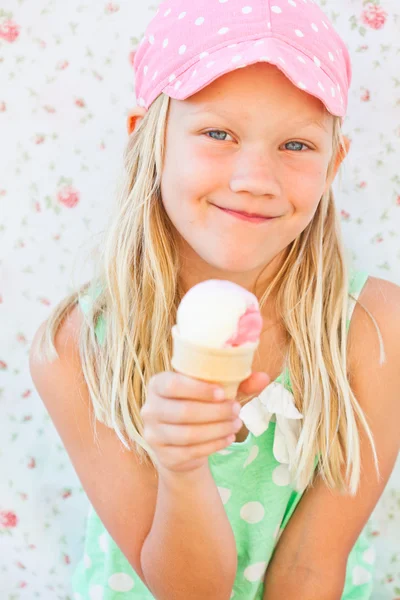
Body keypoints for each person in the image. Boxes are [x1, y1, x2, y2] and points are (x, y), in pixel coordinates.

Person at [28, 0, 400, 599]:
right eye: (217, 133)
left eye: (297, 145)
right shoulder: (79, 347)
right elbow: (189, 591)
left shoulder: (375, 328)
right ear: (148, 142)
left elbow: (309, 569)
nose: (255, 177)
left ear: (335, 163)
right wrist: (182, 468)